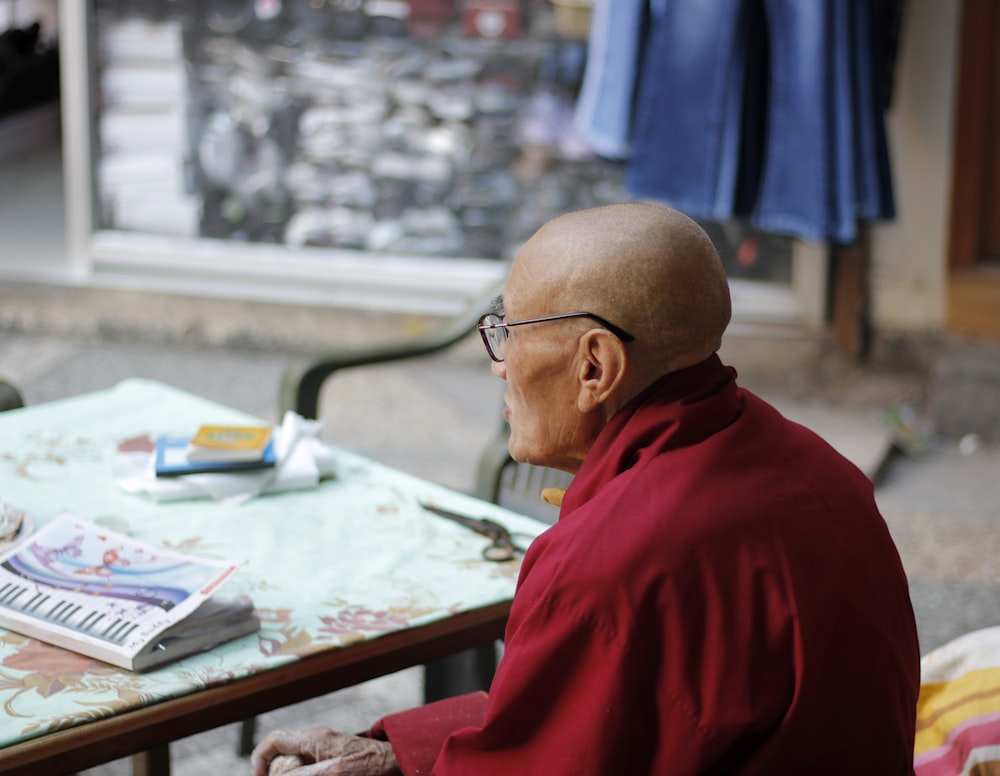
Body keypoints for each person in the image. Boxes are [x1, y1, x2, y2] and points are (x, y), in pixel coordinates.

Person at [251, 203, 920, 775]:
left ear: (595, 365)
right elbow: (597, 724)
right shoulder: (822, 469)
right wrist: (400, 751)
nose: (499, 365)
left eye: (508, 333)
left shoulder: (609, 562)